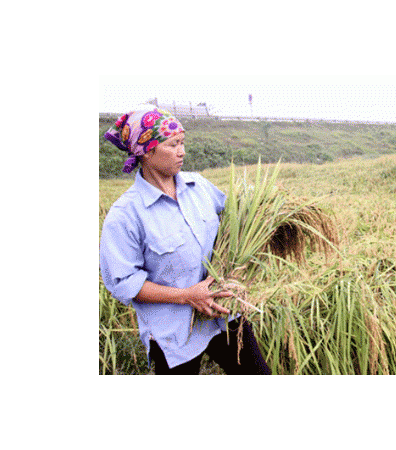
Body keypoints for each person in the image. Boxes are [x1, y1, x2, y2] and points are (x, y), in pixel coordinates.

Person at [100, 107, 271, 375]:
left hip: (223, 312)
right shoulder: (125, 215)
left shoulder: (199, 187)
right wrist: (186, 296)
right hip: (173, 330)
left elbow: (234, 222)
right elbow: (124, 283)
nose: (182, 151)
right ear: (147, 151)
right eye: (173, 144)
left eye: (182, 142)